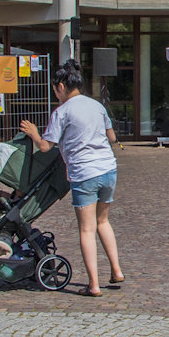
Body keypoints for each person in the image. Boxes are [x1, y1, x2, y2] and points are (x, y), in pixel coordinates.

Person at [20, 61, 124, 298]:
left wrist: (34, 133)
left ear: (60, 87)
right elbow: (111, 136)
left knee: (86, 229)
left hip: (84, 174)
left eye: (54, 90)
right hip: (108, 169)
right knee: (103, 221)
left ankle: (94, 285)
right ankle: (116, 270)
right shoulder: (96, 105)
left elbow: (46, 146)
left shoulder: (62, 111)